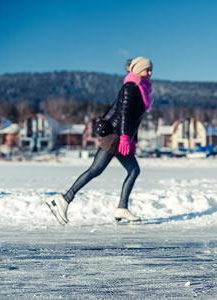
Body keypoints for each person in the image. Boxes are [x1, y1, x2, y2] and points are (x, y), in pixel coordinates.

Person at [46, 56, 154, 225]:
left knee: (133, 170)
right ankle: (63, 200)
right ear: (138, 69)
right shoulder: (131, 87)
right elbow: (125, 115)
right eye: (147, 69)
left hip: (123, 138)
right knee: (95, 170)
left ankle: (122, 207)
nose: (150, 72)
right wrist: (125, 137)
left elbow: (135, 120)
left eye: (151, 69)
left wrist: (132, 141)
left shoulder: (141, 90)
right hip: (115, 137)